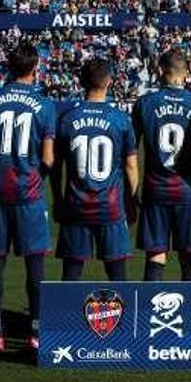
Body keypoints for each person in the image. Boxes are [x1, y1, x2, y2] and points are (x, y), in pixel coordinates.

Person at [0, 43, 55, 354]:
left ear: (7, 67)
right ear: (35, 68)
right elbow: (48, 159)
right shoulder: (45, 104)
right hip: (29, 193)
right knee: (34, 264)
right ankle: (35, 332)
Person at [53, 59, 139, 282]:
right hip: (110, 206)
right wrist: (131, 199)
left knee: (71, 274)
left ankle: (66, 317)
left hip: (76, 206)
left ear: (81, 82)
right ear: (110, 82)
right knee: (117, 274)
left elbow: (56, 166)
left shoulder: (67, 119)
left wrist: (57, 199)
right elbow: (131, 166)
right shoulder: (121, 120)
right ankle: (123, 316)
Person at [132, 48, 191, 281]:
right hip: (187, 190)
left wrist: (131, 192)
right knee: (189, 257)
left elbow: (131, 153)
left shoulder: (144, 103)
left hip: (156, 189)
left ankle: (149, 314)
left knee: (155, 256)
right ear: (186, 73)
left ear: (160, 71)